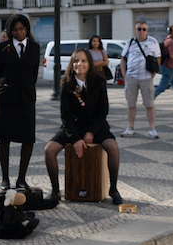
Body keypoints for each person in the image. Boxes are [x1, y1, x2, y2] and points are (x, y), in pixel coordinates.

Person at [44, 49, 123, 204]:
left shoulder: (99, 82)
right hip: (73, 127)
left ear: (89, 63)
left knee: (113, 148)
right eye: (76, 61)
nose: (79, 64)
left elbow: (103, 112)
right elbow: (65, 116)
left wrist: (91, 132)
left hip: (96, 126)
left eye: (83, 61)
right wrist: (74, 139)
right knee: (49, 150)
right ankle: (55, 191)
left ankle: (113, 189)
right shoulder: (66, 83)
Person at [0, 13, 39, 190]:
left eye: (22, 29)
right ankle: (5, 179)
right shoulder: (2, 47)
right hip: (5, 98)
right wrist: (6, 86)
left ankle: (21, 179)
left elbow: (33, 73)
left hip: (26, 98)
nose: (19, 32)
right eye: (15, 29)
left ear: (27, 29)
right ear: (10, 31)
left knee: (28, 139)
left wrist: (25, 86)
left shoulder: (34, 47)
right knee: (4, 138)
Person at [120, 21, 161, 138]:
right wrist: (125, 75)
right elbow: (123, 58)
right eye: (139, 29)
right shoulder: (130, 42)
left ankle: (152, 129)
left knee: (149, 104)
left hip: (146, 78)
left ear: (147, 30)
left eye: (144, 29)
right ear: (135, 29)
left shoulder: (153, 42)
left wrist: (153, 74)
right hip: (131, 77)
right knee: (130, 104)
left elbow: (158, 59)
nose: (141, 32)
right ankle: (130, 127)